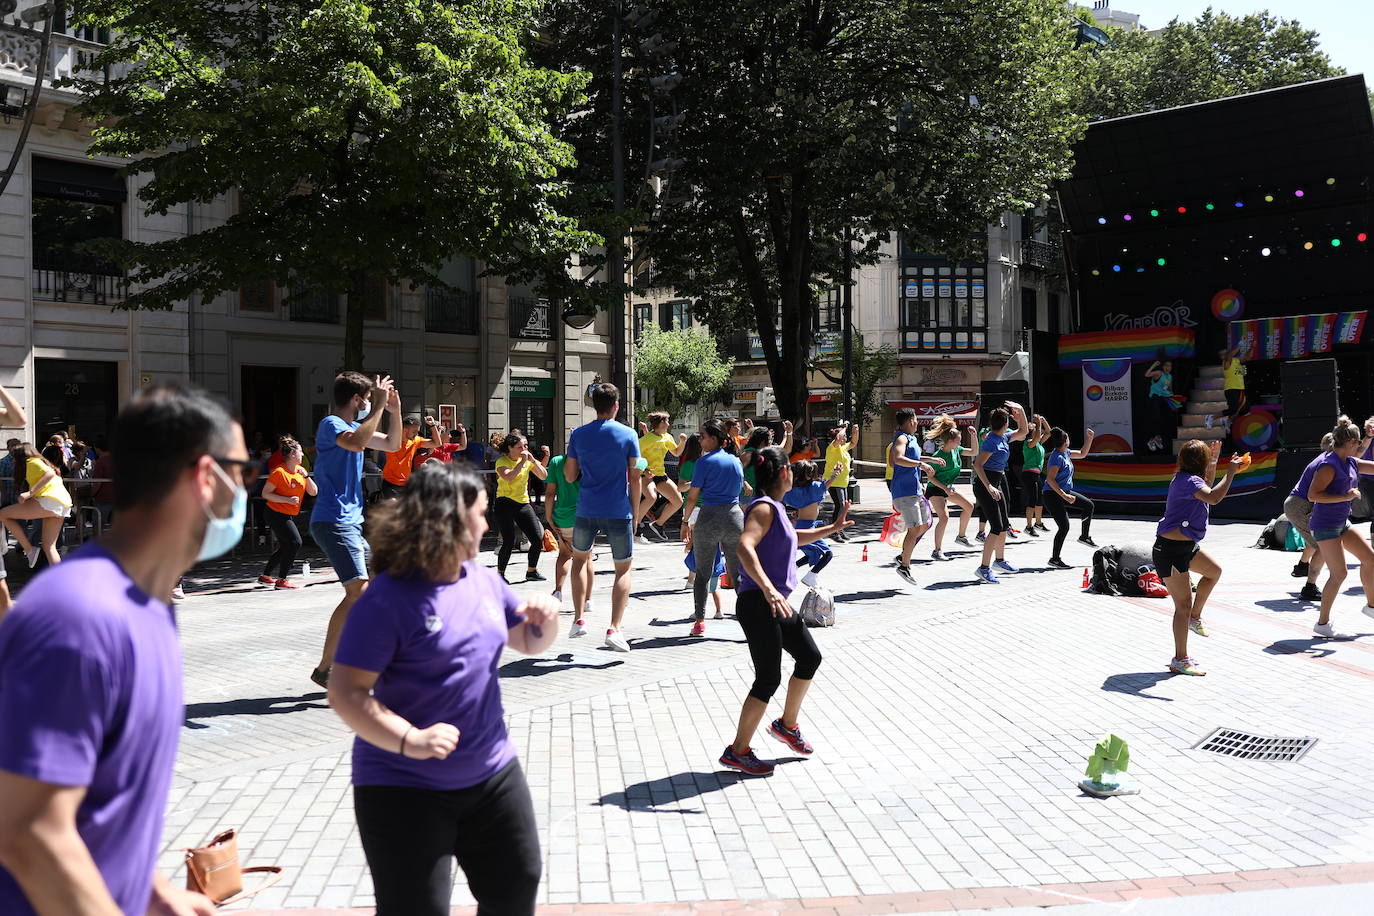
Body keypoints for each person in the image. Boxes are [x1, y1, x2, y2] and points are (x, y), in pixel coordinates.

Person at [0, 383, 248, 916]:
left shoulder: (149, 605)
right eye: (243, 472)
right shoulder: (78, 616)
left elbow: (104, 804)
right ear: (206, 477)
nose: (247, 490)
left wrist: (152, 893)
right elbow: (28, 831)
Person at [327, 461, 557, 916]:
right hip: (402, 787)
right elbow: (346, 691)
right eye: (482, 513)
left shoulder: (484, 580)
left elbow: (528, 643)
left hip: (491, 773)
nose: (488, 523)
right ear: (450, 520)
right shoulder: (388, 598)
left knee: (517, 884)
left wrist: (545, 622)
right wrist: (409, 740)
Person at [718, 447, 852, 776]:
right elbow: (744, 546)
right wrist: (767, 588)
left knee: (809, 656)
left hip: (774, 602)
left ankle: (786, 725)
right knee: (768, 677)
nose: (794, 472)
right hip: (758, 602)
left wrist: (832, 528)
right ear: (782, 474)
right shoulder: (763, 509)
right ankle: (738, 751)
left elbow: (794, 537)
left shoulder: (775, 508)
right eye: (790, 468)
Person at [309, 371, 403, 688]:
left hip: (351, 521)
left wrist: (394, 411)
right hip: (333, 519)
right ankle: (327, 668)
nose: (367, 404)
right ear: (356, 400)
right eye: (365, 399)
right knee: (357, 590)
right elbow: (358, 442)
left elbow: (393, 443)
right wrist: (377, 406)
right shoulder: (331, 425)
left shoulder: (354, 426)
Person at [1154, 440, 1244, 676]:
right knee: (1182, 605)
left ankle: (1195, 617)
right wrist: (1231, 471)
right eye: (1206, 459)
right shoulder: (1188, 481)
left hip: (1186, 547)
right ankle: (1180, 659)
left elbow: (1208, 486)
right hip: (1170, 550)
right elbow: (1214, 497)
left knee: (1214, 572)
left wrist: (1214, 460)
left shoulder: (1187, 480)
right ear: (1198, 462)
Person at [565, 383, 642, 651]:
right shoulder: (629, 434)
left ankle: (579, 620)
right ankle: (614, 628)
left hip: (586, 508)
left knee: (579, 562)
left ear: (593, 405)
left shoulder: (579, 435)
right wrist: (637, 513)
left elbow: (570, 476)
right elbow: (635, 478)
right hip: (618, 510)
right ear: (616, 405)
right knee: (623, 569)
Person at [1305, 417, 1374, 640]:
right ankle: (1322, 624)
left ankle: (1371, 607)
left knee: (1370, 559)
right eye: (1359, 444)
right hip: (1324, 526)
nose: (1361, 447)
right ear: (1351, 442)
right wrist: (1345, 496)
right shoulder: (1329, 465)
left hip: (1342, 522)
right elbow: (1313, 495)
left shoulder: (1350, 462)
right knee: (1339, 574)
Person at [682, 420, 746, 637]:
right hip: (734, 517)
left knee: (703, 573)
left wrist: (685, 521)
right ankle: (750, 623)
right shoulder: (736, 461)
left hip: (709, 517)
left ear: (714, 438)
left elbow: (692, 496)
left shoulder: (703, 462)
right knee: (737, 574)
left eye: (702, 436)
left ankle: (699, 622)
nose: (699, 440)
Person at [972, 402, 1029, 583]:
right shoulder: (991, 441)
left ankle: (1000, 560)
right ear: (1005, 423)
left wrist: (1021, 413)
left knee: (1004, 524)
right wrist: (989, 486)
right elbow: (977, 465)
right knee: (996, 526)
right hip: (985, 484)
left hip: (996, 482)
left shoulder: (1003, 436)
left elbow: (1023, 432)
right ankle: (983, 568)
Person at [889, 408, 946, 584]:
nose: (917, 422)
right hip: (904, 491)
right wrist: (921, 464)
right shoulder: (901, 438)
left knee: (923, 526)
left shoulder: (912, 438)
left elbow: (913, 456)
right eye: (915, 419)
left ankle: (902, 557)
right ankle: (904, 566)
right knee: (914, 529)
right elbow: (897, 459)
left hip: (914, 490)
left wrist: (931, 460)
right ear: (910, 421)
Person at [1284, 432, 1337, 603]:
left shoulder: (1325, 458)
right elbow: (1319, 493)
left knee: (1315, 539)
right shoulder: (1327, 463)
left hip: (1297, 505)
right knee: (1324, 544)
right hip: (1300, 506)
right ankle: (1309, 587)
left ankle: (1302, 566)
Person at [1, 443, 71, 569]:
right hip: (61, 503)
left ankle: (29, 550)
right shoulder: (38, 462)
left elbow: (49, 473)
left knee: (2, 514)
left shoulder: (32, 462)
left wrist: (29, 493)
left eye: (14, 456)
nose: (13, 459)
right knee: (49, 547)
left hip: (50, 501)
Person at [259, 435, 316, 589]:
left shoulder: (300, 471)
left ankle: (265, 576)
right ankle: (282, 580)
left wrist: (306, 476)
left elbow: (313, 492)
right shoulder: (279, 472)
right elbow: (266, 493)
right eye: (300, 452)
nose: (303, 455)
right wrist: (287, 500)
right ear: (292, 455)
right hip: (274, 513)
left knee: (286, 545)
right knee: (295, 542)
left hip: (287, 514)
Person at [494, 432, 548, 583]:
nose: (524, 449)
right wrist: (522, 462)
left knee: (537, 538)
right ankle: (500, 574)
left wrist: (534, 461)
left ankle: (531, 571)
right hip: (504, 503)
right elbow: (509, 477)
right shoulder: (501, 461)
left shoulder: (527, 460)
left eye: (525, 446)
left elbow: (543, 476)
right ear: (510, 448)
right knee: (509, 540)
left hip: (522, 503)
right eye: (520, 447)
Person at [1041, 426, 1098, 569]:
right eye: (1067, 437)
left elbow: (1082, 453)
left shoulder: (1065, 452)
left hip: (1063, 493)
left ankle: (1084, 536)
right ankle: (1054, 559)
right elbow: (1050, 479)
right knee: (1064, 526)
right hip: (1052, 495)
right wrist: (1065, 496)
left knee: (1088, 505)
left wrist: (1090, 439)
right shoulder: (1056, 458)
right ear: (1065, 441)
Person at [544, 448, 591, 611]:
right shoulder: (589, 463)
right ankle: (587, 600)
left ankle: (558, 591)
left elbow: (550, 494)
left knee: (564, 555)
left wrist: (549, 517)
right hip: (585, 516)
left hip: (563, 517)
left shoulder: (556, 462)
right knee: (586, 558)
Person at [782, 459, 841, 586]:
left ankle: (793, 568)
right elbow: (825, 486)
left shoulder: (796, 490)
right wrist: (835, 474)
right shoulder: (813, 488)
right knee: (827, 554)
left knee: (812, 553)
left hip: (802, 525)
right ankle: (811, 575)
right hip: (808, 527)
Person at [924, 420, 973, 559]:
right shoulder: (938, 457)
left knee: (969, 506)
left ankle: (961, 536)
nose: (959, 443)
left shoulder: (956, 450)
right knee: (944, 518)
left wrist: (974, 436)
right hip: (936, 489)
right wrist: (945, 489)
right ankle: (937, 551)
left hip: (948, 488)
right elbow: (931, 479)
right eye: (958, 441)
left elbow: (974, 451)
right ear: (950, 441)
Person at [637, 412, 687, 541]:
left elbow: (676, 452)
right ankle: (634, 528)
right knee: (651, 497)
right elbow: (634, 458)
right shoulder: (644, 440)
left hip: (660, 474)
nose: (669, 424)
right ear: (661, 423)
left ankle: (658, 524)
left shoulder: (667, 437)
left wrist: (682, 442)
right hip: (645, 474)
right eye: (667, 421)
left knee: (678, 501)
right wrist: (645, 469)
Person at [381, 414, 441, 499]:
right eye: (414, 431)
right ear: (405, 430)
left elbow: (437, 443)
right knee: (394, 509)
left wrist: (433, 425)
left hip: (406, 484)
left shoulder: (416, 441)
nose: (416, 434)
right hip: (390, 483)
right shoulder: (391, 440)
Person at [824, 422, 856, 542]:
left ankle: (839, 529)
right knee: (840, 506)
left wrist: (855, 432)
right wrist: (844, 428)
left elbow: (853, 443)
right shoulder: (833, 447)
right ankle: (834, 531)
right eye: (844, 435)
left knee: (844, 507)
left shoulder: (843, 448)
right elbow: (838, 438)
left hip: (843, 482)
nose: (845, 437)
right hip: (834, 481)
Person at [1020, 415, 1050, 536]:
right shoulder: (1028, 443)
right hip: (1028, 473)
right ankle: (1028, 526)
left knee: (1039, 498)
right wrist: (1038, 425)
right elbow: (1037, 437)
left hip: (1036, 474)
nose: (1040, 432)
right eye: (1037, 430)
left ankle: (1038, 523)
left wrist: (1043, 421)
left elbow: (1048, 432)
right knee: (1032, 498)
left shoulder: (1038, 444)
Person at [1209, 345, 1246, 438]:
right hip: (1231, 388)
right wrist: (1240, 344)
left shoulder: (1237, 361)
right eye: (1221, 355)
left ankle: (1227, 421)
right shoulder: (1226, 361)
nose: (1224, 355)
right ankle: (1212, 417)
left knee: (1240, 409)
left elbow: (1245, 365)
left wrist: (1252, 347)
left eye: (1224, 353)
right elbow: (1229, 357)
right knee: (1233, 409)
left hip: (1240, 388)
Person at [1144, 356, 1177, 453]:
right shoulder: (1159, 373)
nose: (1168, 367)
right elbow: (1146, 375)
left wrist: (1174, 402)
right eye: (1166, 365)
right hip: (1154, 397)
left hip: (1164, 398)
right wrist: (1153, 365)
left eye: (1170, 366)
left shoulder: (1170, 376)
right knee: (1156, 418)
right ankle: (1151, 440)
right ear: (1163, 367)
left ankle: (1158, 438)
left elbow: (1170, 389)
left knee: (1165, 419)